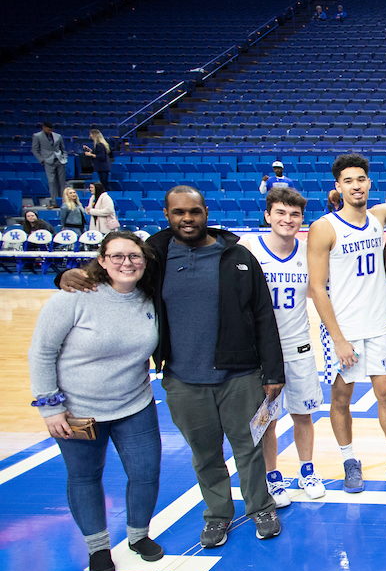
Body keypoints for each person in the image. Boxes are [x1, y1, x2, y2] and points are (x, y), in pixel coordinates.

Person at [59, 186, 286, 547]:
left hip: (240, 376)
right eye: (179, 212)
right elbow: (116, 265)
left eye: (194, 211)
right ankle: (217, 515)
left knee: (249, 449)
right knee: (206, 454)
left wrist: (273, 372)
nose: (187, 218)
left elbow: (262, 315)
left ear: (206, 212)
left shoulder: (238, 256)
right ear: (167, 215)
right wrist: (69, 275)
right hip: (183, 379)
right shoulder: (156, 258)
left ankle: (261, 507)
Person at [30, 231, 164, 571]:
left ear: (145, 261)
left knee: (146, 473)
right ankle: (97, 548)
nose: (126, 263)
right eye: (117, 256)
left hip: (134, 403)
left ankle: (139, 536)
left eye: (134, 256)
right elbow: (42, 352)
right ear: (102, 260)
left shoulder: (150, 298)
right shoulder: (73, 297)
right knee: (85, 476)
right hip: (78, 410)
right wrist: (50, 407)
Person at [307, 153, 386, 494]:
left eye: (361, 179)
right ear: (338, 187)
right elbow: (316, 288)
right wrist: (338, 339)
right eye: (349, 181)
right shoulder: (324, 228)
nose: (356, 186)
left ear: (369, 183)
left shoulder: (376, 217)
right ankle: (349, 461)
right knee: (341, 398)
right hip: (345, 332)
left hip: (379, 327)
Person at [240, 187, 326, 504]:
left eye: (294, 214)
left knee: (303, 415)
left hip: (299, 345)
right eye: (280, 212)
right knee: (269, 420)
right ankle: (273, 477)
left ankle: (307, 470)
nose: (287, 219)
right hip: (262, 352)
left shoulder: (307, 252)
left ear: (301, 219)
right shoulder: (249, 248)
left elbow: (319, 292)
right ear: (268, 215)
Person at [32, 122, 67, 206]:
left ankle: (63, 201)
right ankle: (54, 202)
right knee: (52, 181)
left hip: (59, 160)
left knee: (62, 182)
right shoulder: (37, 136)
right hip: (48, 161)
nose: (50, 131)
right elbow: (35, 150)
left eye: (51, 129)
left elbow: (63, 149)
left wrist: (64, 158)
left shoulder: (58, 136)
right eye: (48, 129)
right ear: (43, 128)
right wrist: (42, 160)